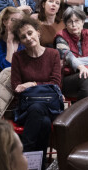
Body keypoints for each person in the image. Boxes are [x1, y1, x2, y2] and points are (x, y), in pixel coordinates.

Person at [10, 16, 62, 157]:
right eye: (23, 36)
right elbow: (16, 87)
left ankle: (25, 157)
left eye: (30, 33)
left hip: (50, 106)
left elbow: (56, 84)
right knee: (43, 121)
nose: (28, 38)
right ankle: (39, 168)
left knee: (40, 112)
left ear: (38, 32)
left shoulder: (53, 54)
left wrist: (31, 84)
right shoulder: (18, 57)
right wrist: (40, 87)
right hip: (26, 108)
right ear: (20, 41)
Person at [56, 7, 88, 99]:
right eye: (69, 22)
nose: (73, 24)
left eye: (77, 21)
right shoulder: (60, 37)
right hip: (69, 78)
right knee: (86, 78)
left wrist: (74, 62)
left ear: (83, 21)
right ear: (65, 24)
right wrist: (81, 67)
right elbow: (68, 56)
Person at [0, 7, 25, 85]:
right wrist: (9, 42)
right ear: (4, 22)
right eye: (13, 20)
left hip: (21, 78)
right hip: (1, 81)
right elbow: (6, 70)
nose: (17, 24)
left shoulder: (24, 41)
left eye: (20, 21)